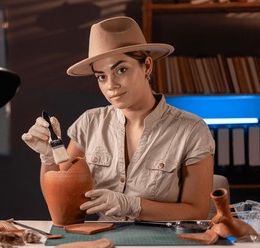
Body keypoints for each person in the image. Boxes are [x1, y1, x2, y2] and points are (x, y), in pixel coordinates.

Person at [22, 16, 215, 222]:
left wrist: (133, 205)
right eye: (101, 76)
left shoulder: (191, 130)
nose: (110, 85)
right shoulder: (89, 123)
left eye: (121, 70)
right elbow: (63, 203)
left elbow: (197, 212)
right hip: (104, 243)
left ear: (147, 66)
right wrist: (48, 157)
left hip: (164, 247)